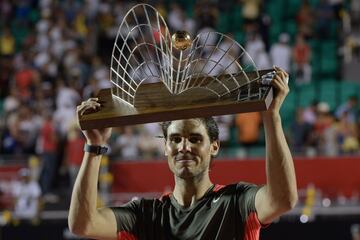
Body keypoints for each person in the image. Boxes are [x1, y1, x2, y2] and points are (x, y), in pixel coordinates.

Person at [68, 66, 298, 239]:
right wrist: (94, 147)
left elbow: (283, 199)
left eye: (195, 139)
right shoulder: (145, 214)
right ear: (165, 147)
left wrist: (271, 116)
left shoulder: (236, 201)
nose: (184, 147)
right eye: (176, 139)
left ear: (214, 146)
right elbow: (83, 224)